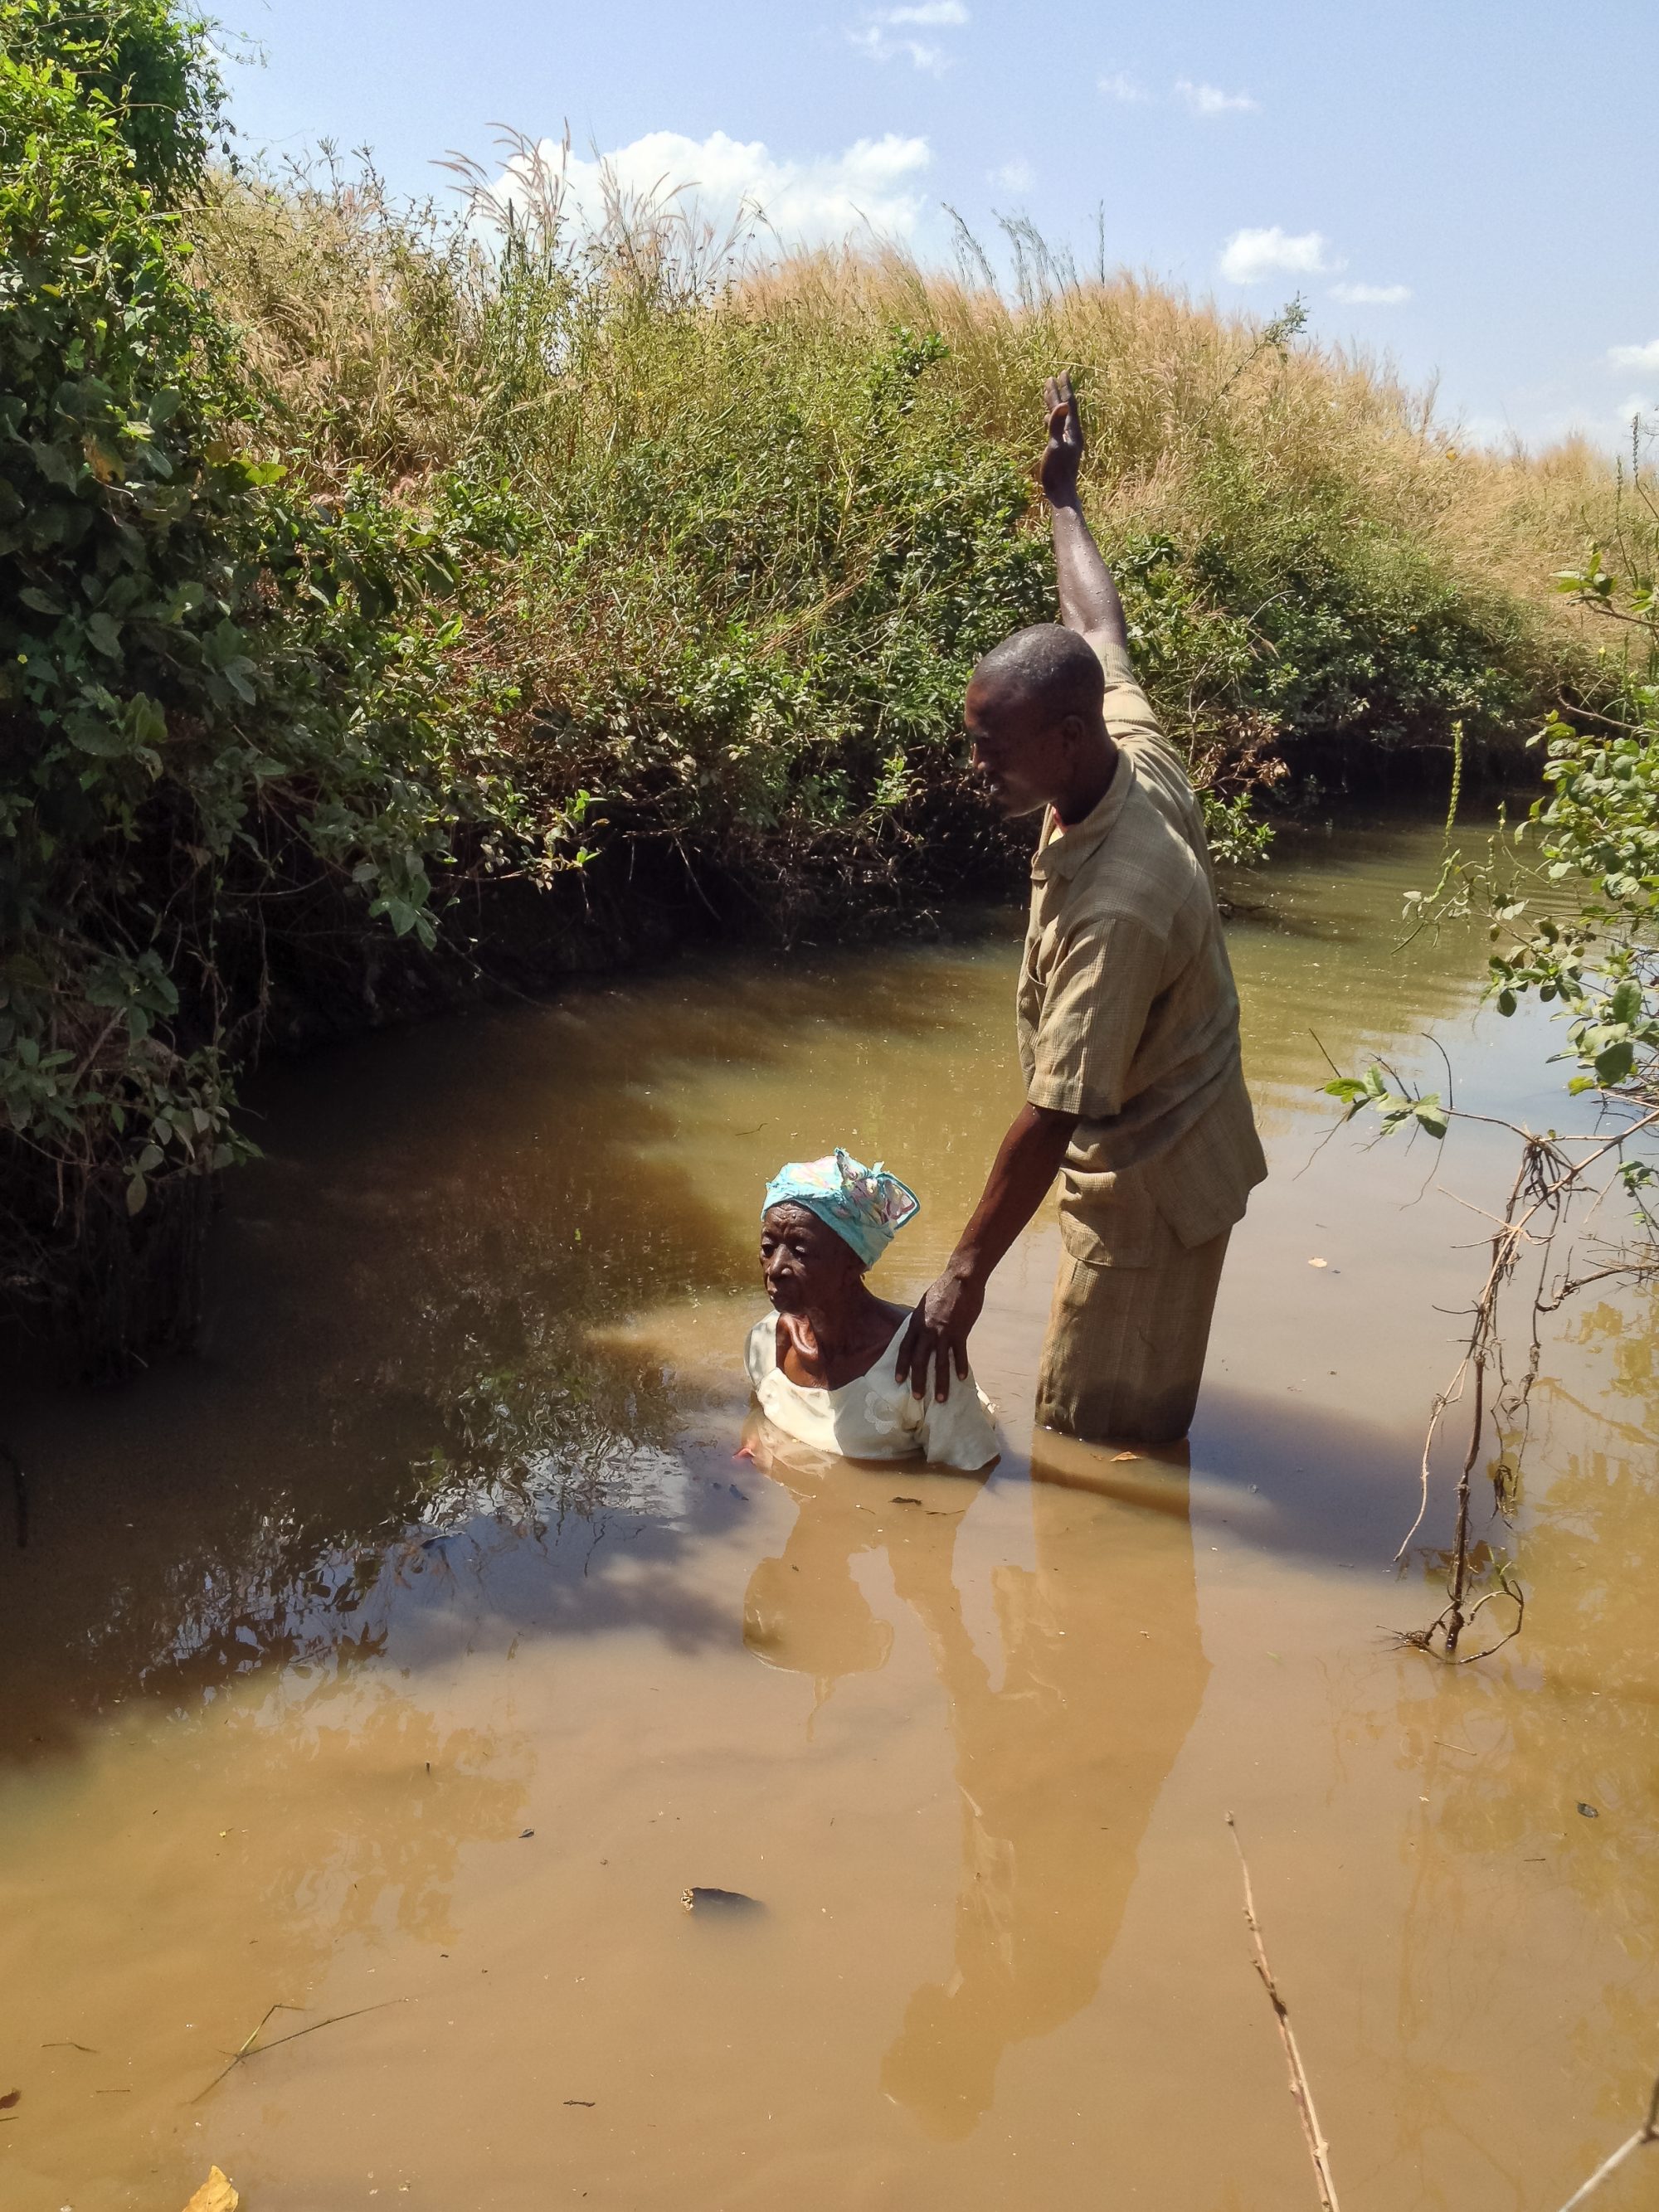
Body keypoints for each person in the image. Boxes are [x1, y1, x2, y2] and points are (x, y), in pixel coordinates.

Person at [896, 374, 1266, 1446]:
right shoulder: (1124, 744)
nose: (975, 769)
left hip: (1152, 1187)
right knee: (1119, 1414)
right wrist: (1063, 498)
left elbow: (1054, 1110)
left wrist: (962, 1272)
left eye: (990, 749)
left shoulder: (1121, 901)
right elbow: (1094, 618)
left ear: (1063, 735)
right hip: (1173, 1139)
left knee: (1092, 1436)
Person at [746, 1149, 1000, 1471]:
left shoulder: (920, 1363)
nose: (776, 1267)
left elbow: (972, 1474)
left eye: (801, 1250)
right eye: (768, 1248)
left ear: (855, 1262)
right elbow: (761, 1421)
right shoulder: (764, 1344)